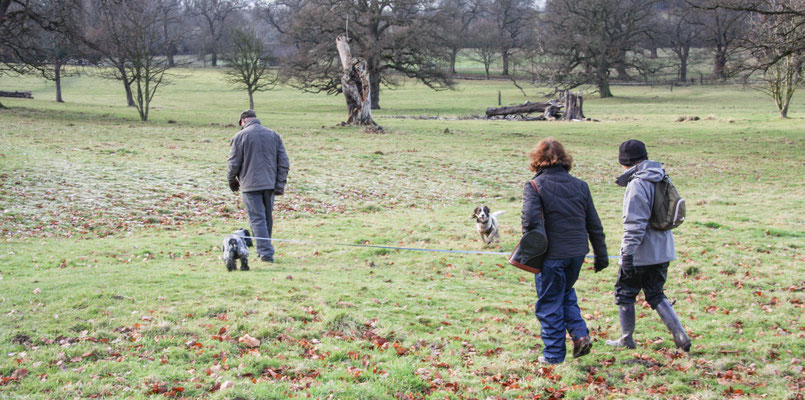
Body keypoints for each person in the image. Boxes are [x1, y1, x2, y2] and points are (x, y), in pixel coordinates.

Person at [521, 138, 609, 364]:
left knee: (550, 303)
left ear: (537, 159)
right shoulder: (581, 185)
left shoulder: (534, 186)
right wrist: (601, 255)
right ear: (564, 159)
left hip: (551, 255)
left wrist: (530, 250)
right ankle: (580, 335)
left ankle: (553, 355)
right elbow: (594, 224)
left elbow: (530, 221)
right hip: (577, 252)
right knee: (565, 293)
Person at [606, 139, 691, 351]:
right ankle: (679, 334)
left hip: (640, 253)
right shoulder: (661, 176)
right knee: (655, 293)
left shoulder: (637, 184)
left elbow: (634, 225)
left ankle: (626, 339)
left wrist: (627, 254)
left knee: (624, 293)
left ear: (623, 162)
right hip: (663, 250)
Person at [227, 109, 290, 263]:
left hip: (250, 185)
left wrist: (231, 180)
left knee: (257, 219)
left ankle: (266, 254)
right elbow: (284, 162)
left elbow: (233, 163)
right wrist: (280, 184)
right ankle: (264, 250)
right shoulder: (273, 135)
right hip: (270, 184)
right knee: (266, 219)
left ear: (243, 121)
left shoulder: (240, 136)